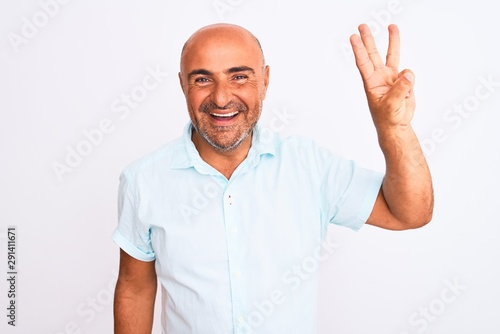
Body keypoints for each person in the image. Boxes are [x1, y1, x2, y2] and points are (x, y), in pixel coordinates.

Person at [112, 23, 433, 334]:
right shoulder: (144, 180)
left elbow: (410, 212)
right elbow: (135, 287)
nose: (221, 98)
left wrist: (394, 128)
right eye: (202, 79)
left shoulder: (310, 166)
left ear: (265, 80)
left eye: (239, 77)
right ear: (183, 84)